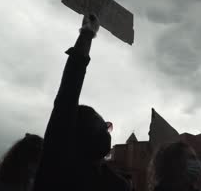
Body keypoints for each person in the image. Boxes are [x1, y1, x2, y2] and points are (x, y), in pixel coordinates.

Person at [34, 14, 130, 191]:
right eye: (104, 127)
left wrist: (87, 35)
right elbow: (69, 89)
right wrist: (86, 35)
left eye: (106, 127)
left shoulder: (116, 184)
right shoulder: (58, 158)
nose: (106, 132)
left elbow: (69, 90)